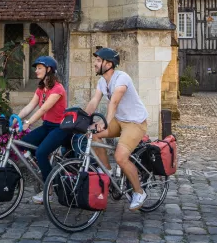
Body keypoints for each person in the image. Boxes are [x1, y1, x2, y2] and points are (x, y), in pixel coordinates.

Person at [84, 47, 150, 211]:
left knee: (120, 156)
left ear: (108, 64)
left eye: (98, 61)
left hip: (134, 123)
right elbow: (94, 101)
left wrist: (105, 122)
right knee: (92, 134)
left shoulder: (122, 78)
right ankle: (106, 171)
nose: (95, 63)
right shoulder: (102, 81)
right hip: (119, 121)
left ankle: (139, 192)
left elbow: (114, 102)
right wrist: (82, 118)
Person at [16, 55, 69, 204]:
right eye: (36, 68)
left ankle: (49, 188)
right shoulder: (41, 89)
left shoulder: (58, 89)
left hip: (60, 128)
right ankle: (45, 168)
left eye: (39, 68)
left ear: (49, 69)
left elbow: (43, 109)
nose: (36, 71)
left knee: (41, 152)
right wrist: (16, 119)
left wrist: (28, 122)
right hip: (47, 126)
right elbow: (30, 106)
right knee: (23, 143)